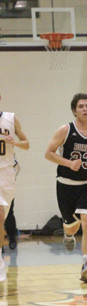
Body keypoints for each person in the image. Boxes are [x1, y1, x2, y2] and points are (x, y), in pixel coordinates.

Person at [45, 93, 87, 283]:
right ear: (74, 110)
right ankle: (68, 233)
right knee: (72, 226)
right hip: (66, 186)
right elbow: (48, 153)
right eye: (81, 106)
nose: (85, 109)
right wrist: (68, 163)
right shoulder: (65, 130)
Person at [0, 103, 30, 281]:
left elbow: (27, 144)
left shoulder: (11, 118)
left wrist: (14, 141)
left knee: (2, 215)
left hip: (6, 174)